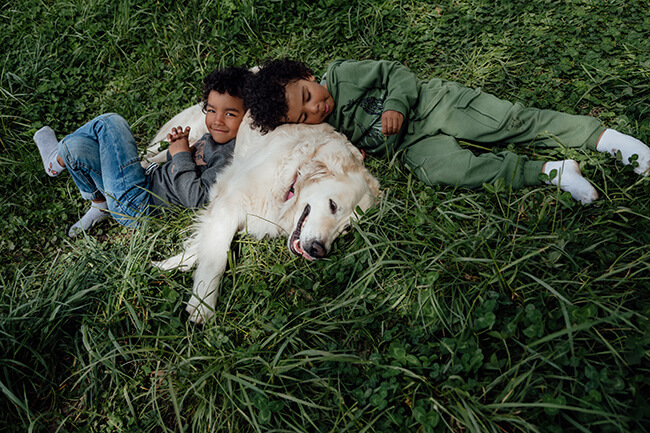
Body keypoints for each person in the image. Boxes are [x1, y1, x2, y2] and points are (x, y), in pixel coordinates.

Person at [244, 59, 650, 204]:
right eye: (304, 116)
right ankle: (552, 172)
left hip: (433, 104)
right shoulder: (326, 128)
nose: (315, 108)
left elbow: (397, 73)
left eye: (308, 95)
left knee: (510, 122)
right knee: (448, 171)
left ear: (307, 75)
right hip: (414, 145)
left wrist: (395, 104)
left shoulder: (343, 75)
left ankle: (610, 141)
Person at [33, 66, 252, 237]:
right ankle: (100, 205)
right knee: (75, 148)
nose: (217, 120)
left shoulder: (228, 155)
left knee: (110, 122)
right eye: (211, 110)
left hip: (140, 205)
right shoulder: (211, 138)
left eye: (230, 114)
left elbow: (197, 200)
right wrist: (178, 148)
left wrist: (181, 155)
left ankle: (54, 161)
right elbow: (176, 172)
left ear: (248, 115)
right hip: (143, 182)